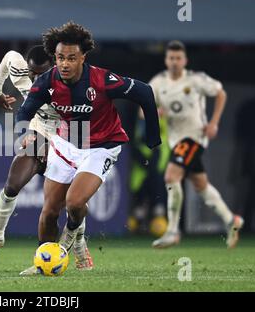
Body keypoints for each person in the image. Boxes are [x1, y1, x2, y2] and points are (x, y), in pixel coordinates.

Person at [17, 22, 161, 274]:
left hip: (102, 147)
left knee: (73, 203)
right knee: (50, 210)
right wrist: (28, 132)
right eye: (60, 57)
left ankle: (71, 239)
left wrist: (153, 137)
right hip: (66, 144)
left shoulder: (102, 80)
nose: (64, 64)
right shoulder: (46, 81)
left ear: (83, 57)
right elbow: (25, 111)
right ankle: (44, 261)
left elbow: (145, 93)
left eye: (71, 58)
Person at [0, 45, 94, 272]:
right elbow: (7, 58)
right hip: (38, 134)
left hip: (68, 141)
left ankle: (78, 242)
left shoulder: (70, 84)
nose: (37, 78)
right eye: (33, 73)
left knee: (70, 201)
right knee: (12, 185)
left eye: (42, 74)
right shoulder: (20, 71)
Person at [150, 40, 244, 249]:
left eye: (178, 58)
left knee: (171, 176)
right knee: (200, 185)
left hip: (194, 137)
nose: (174, 62)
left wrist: (214, 123)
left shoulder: (195, 80)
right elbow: (145, 108)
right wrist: (154, 113)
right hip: (176, 140)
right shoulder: (158, 83)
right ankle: (232, 220)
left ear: (185, 60)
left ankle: (173, 230)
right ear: (166, 60)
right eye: (171, 58)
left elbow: (221, 93)